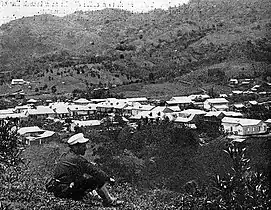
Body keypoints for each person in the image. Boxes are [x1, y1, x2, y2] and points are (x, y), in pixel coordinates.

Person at [51, 133, 123, 207]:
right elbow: (94, 171)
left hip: (59, 189)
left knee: (84, 178)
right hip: (66, 191)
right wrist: (108, 178)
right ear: (75, 147)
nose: (85, 148)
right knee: (98, 179)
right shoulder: (77, 159)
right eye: (83, 146)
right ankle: (109, 201)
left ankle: (95, 196)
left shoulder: (66, 156)